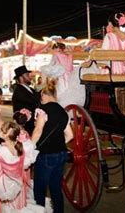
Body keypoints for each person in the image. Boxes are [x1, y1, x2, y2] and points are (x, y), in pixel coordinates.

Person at [33, 79, 73, 213]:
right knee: (56, 187)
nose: (41, 100)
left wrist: (30, 147)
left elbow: (38, 131)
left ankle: (39, 210)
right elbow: (70, 135)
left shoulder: (42, 111)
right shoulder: (63, 112)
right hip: (61, 154)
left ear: (45, 95)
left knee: (40, 188)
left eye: (41, 97)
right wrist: (59, 142)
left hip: (46, 155)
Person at [40, 42, 85, 108]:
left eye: (56, 49)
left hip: (62, 77)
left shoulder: (56, 55)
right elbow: (70, 68)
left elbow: (51, 66)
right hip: (69, 78)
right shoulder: (69, 55)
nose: (55, 50)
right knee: (68, 94)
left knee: (60, 94)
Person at [12, 65, 40, 135]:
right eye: (27, 75)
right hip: (26, 127)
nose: (30, 77)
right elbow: (33, 100)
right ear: (21, 78)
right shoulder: (18, 91)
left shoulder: (31, 89)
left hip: (33, 125)